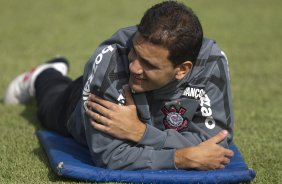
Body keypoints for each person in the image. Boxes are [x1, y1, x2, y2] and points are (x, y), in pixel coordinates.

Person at [4, 1, 234, 170]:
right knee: (51, 102)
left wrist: (141, 133)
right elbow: (110, 155)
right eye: (135, 51)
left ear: (182, 69)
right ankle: (45, 75)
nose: (134, 67)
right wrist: (181, 157)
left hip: (148, 126)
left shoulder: (211, 64)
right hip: (75, 111)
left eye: (149, 64)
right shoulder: (110, 62)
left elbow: (217, 143)